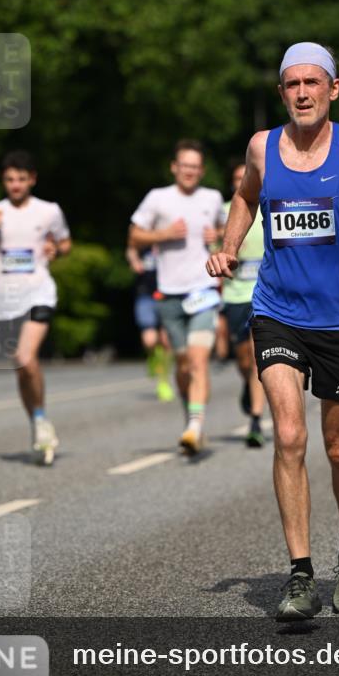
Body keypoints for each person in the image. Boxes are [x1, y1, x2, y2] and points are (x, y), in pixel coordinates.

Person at [207, 42, 339, 619]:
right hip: (276, 309)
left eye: (312, 83)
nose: (302, 93)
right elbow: (245, 198)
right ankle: (299, 574)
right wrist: (227, 248)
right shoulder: (261, 147)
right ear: (283, 93)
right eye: (291, 85)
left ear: (333, 88)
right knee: (290, 436)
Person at [0, 151, 71, 465]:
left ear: (32, 180)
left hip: (40, 292)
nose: (15, 185)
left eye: (22, 179)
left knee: (27, 357)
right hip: (6, 300)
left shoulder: (49, 211)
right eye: (10, 179)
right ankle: (38, 419)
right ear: (4, 181)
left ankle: (40, 421)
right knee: (21, 366)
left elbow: (66, 243)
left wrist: (56, 248)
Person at [129, 140, 225, 454]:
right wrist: (164, 235)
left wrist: (219, 237)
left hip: (203, 290)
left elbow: (229, 231)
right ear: (174, 167)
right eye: (185, 166)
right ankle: (191, 418)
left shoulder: (212, 198)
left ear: (202, 170)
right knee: (183, 364)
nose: (190, 172)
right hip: (168, 293)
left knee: (198, 361)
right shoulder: (158, 198)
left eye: (196, 167)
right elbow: (134, 236)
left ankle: (196, 426)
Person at [221, 162, 266, 447]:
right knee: (244, 360)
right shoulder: (224, 211)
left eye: (245, 177)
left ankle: (256, 420)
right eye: (237, 178)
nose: (242, 182)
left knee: (256, 353)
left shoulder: (271, 207)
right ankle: (249, 388)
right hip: (234, 295)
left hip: (263, 294)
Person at [125, 245, 174, 402]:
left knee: (166, 341)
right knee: (150, 340)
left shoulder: (171, 234)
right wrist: (134, 260)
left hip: (168, 293)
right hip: (145, 293)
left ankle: (163, 382)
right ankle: (152, 357)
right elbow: (131, 247)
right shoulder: (143, 232)